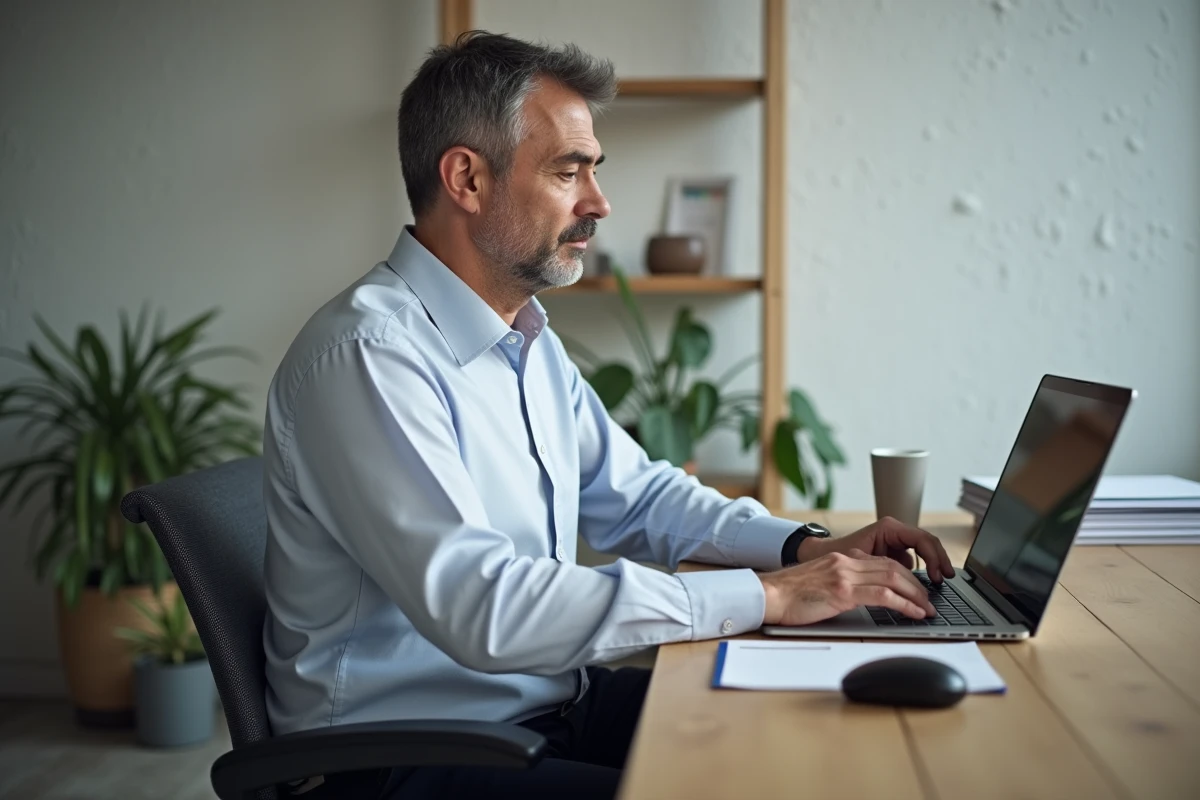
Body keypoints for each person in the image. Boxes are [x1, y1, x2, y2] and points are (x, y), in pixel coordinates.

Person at [260, 30, 954, 800]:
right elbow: (482, 607)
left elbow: (640, 496)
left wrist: (799, 548)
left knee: (808, 737)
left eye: (593, 171)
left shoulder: (522, 338)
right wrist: (769, 596)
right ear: (466, 178)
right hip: (400, 762)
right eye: (568, 171)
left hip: (541, 709)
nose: (599, 203)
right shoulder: (369, 357)